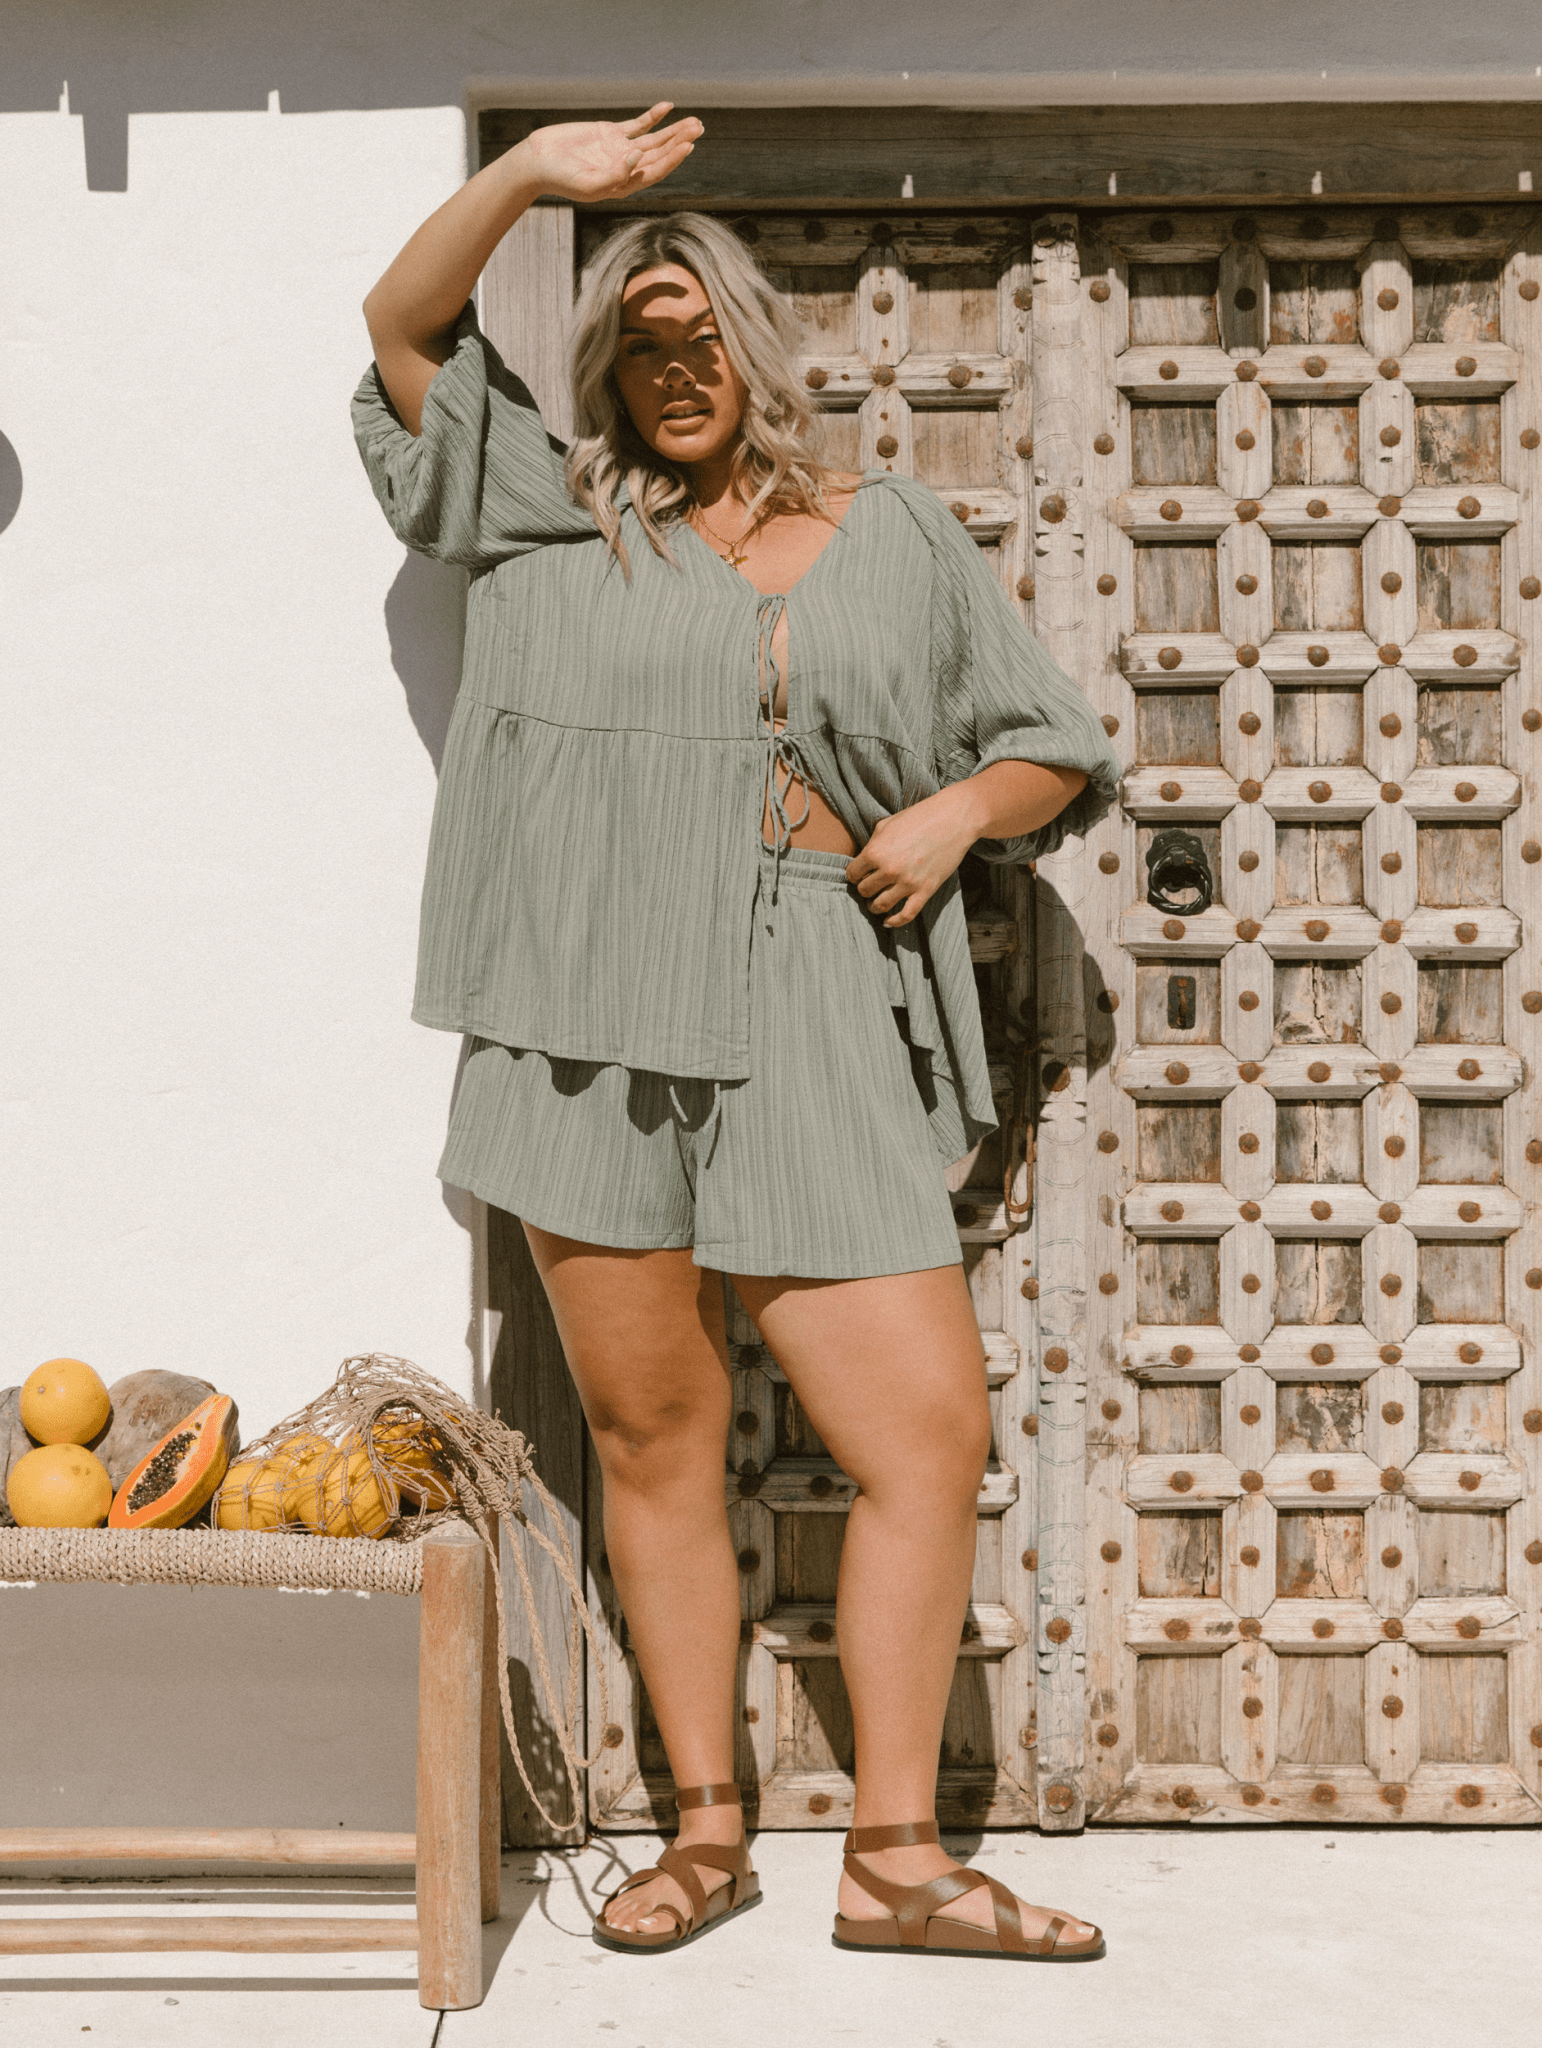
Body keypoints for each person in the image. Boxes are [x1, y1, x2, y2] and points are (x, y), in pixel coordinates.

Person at [355, 102, 1118, 1963]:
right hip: (585, 1013)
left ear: (756, 350)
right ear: (606, 373)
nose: (675, 370)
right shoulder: (541, 506)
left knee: (924, 1436)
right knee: (654, 1438)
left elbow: (1049, 743)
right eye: (641, 345)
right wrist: (530, 177)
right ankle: (706, 1829)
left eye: (702, 337)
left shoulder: (889, 532)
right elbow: (400, 326)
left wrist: (950, 816)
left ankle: (897, 1860)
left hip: (813, 992)